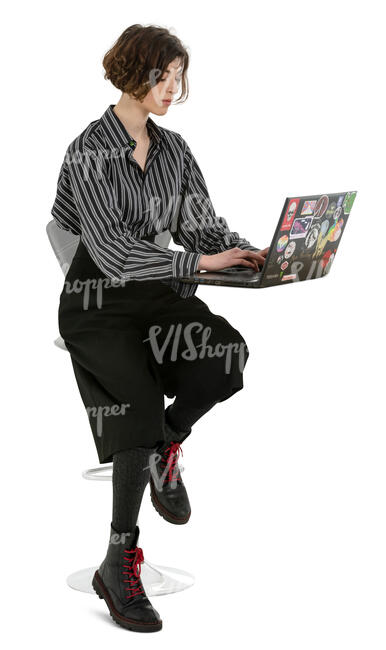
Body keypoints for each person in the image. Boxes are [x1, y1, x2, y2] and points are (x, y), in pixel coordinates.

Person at [51, 23, 269, 633]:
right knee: (136, 402)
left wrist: (258, 256)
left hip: (158, 297)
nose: (173, 88)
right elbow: (116, 255)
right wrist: (200, 263)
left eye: (179, 76)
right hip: (99, 305)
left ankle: (167, 444)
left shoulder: (174, 150)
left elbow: (201, 227)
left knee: (227, 357)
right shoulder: (89, 150)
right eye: (162, 75)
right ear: (132, 72)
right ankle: (119, 560)